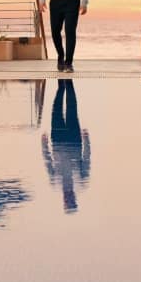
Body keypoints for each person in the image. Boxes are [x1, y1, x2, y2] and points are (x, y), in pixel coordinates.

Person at [41, 79, 91, 212]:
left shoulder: (55, 184)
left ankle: (61, 86)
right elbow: (86, 159)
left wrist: (44, 144)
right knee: (72, 108)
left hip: (57, 142)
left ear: (64, 202)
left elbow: (48, 162)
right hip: (74, 141)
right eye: (71, 202)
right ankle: (68, 82)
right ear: (75, 200)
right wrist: (86, 139)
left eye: (67, 202)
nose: (68, 199)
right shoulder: (81, 183)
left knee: (56, 110)